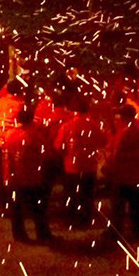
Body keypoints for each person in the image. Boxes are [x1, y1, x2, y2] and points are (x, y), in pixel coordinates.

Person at [54, 96, 106, 227]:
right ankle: (86, 220)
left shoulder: (67, 126)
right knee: (87, 195)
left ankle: (70, 220)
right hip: (89, 166)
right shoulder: (93, 125)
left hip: (72, 167)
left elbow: (58, 146)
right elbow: (103, 141)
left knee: (71, 194)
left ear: (73, 111)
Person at [3, 107, 52, 243]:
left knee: (16, 209)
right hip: (31, 177)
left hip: (14, 178)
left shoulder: (9, 134)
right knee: (38, 209)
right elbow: (46, 154)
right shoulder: (35, 135)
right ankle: (43, 234)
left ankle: (19, 235)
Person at [104, 104, 139, 241]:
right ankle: (138, 231)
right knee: (136, 205)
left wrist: (108, 158)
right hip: (137, 175)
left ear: (125, 117)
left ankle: (115, 232)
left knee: (118, 207)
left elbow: (116, 156)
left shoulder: (124, 134)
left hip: (123, 176)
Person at [0, 79, 26, 210]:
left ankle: (1, 200)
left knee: (1, 172)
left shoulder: (1, 102)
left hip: (1, 140)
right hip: (13, 141)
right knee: (14, 173)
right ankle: (12, 202)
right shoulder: (20, 104)